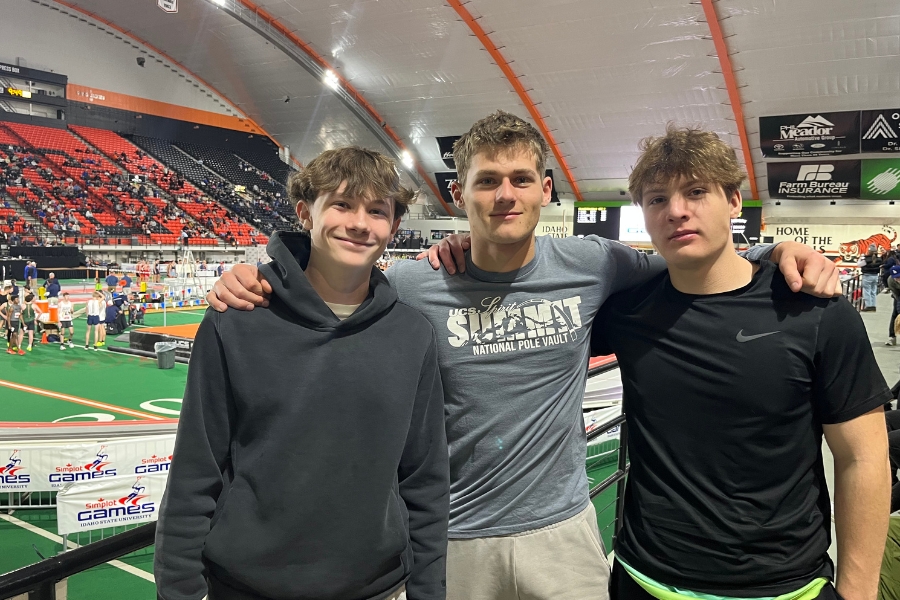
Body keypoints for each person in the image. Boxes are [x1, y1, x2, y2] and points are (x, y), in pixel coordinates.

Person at [208, 112, 840, 600]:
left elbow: (694, 258)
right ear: (460, 194)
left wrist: (776, 251)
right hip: (450, 536)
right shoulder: (413, 283)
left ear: (545, 190)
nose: (504, 195)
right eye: (487, 181)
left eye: (519, 179)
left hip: (562, 533)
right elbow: (327, 291)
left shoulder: (595, 264)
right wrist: (260, 277)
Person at [590, 125, 890, 600]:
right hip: (644, 578)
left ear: (734, 201)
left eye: (696, 192)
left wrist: (858, 592)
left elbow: (863, 458)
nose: (676, 211)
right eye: (657, 199)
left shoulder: (815, 311)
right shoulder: (625, 311)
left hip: (785, 586)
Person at [155, 147, 450, 600]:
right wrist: (178, 590)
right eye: (342, 204)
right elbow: (196, 468)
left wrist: (429, 591)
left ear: (393, 228)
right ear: (305, 213)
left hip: (376, 587)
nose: (359, 223)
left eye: (377, 210)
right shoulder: (236, 320)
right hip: (246, 587)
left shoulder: (412, 335)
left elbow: (424, 479)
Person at [859, 244, 883, 311]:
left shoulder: (866, 259)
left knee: (867, 291)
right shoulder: (879, 259)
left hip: (867, 276)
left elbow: (859, 264)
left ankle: (869, 306)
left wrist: (861, 258)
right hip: (875, 276)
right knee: (873, 291)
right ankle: (873, 305)